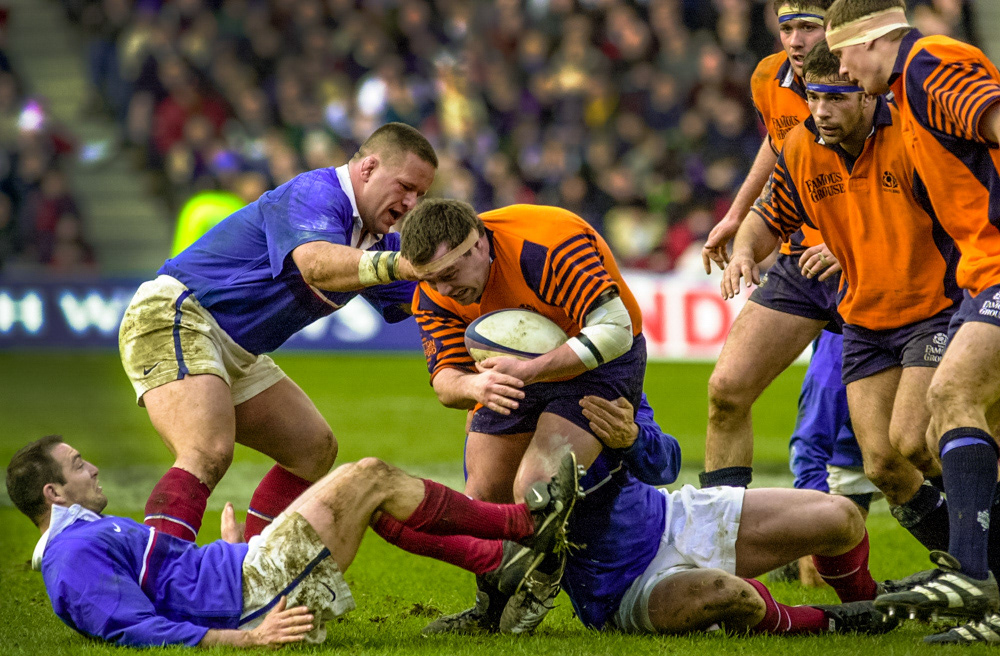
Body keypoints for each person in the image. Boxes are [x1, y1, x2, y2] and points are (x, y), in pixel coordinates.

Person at [118, 122, 437, 544]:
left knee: (312, 449)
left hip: (234, 345)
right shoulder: (317, 192)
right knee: (206, 450)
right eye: (406, 187)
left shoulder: (377, 241)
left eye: (421, 194)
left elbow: (435, 298)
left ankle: (254, 568)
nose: (412, 203)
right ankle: (159, 571)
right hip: (178, 313)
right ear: (368, 168)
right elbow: (317, 264)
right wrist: (403, 265)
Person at [4, 435, 580, 648]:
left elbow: (163, 583)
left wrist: (228, 551)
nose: (93, 468)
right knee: (370, 477)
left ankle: (508, 559)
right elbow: (131, 627)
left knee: (359, 479)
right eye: (78, 465)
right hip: (255, 594)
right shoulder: (70, 556)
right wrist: (246, 639)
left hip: (244, 573)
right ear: (53, 493)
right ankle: (523, 526)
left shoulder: (79, 538)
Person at [723, 40, 959, 558]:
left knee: (915, 442)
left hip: (933, 310)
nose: (821, 111)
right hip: (864, 320)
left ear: (868, 95)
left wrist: (853, 238)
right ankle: (971, 567)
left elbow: (960, 213)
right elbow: (769, 215)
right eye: (813, 97)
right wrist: (743, 251)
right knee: (883, 466)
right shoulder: (801, 145)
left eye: (836, 98)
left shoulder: (913, 136)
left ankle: (978, 563)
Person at [416, 394, 896, 638]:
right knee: (732, 596)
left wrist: (632, 439)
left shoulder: (600, 385)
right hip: (621, 591)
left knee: (840, 516)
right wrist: (490, 606)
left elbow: (665, 463)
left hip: (672, 516)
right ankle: (828, 622)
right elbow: (491, 526)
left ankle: (874, 606)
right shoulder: (496, 431)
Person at [825, 0, 1000, 643]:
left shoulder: (930, 62)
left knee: (950, 395)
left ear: (874, 39)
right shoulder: (905, 93)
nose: (843, 70)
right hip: (981, 274)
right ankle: (991, 598)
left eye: (843, 53)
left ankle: (972, 575)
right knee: (957, 428)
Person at [395, 199, 648, 629]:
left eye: (450, 274)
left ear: (478, 245)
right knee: (482, 494)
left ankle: (540, 583)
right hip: (513, 366)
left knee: (536, 485)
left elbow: (614, 331)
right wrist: (475, 386)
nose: (444, 289)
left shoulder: (547, 245)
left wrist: (528, 371)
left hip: (596, 359)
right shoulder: (433, 293)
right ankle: (489, 610)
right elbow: (445, 380)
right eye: (430, 279)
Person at [698, 0, 858, 494]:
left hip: (873, 266)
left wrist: (853, 245)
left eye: (808, 27)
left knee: (898, 448)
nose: (795, 40)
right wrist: (737, 217)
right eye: (786, 27)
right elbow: (778, 143)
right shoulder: (769, 78)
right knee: (727, 392)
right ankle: (724, 527)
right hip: (804, 258)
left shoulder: (874, 81)